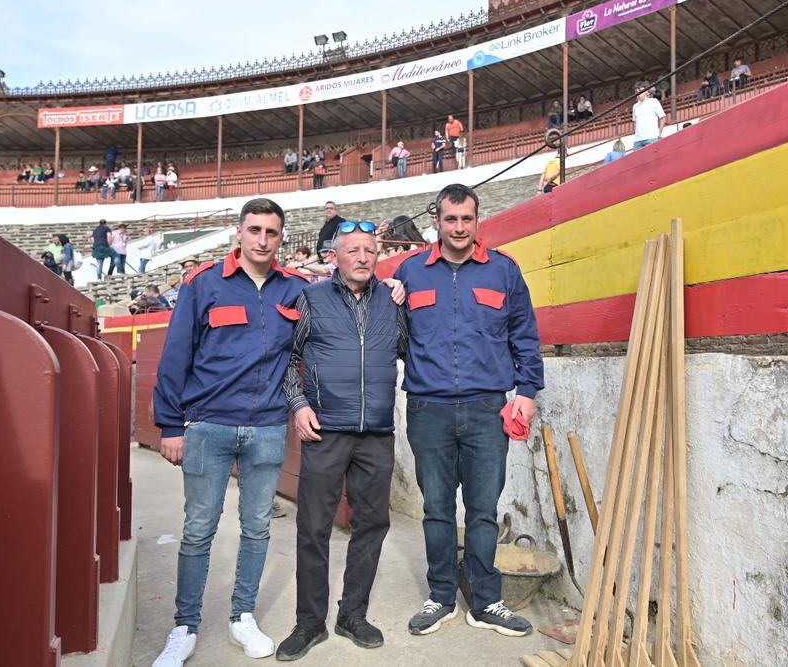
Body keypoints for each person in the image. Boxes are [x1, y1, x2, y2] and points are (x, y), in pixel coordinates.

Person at [150, 198, 312, 667]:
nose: (262, 240)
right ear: (238, 232)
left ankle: (242, 616)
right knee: (198, 529)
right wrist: (170, 425)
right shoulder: (203, 284)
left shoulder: (296, 289)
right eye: (254, 230)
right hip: (208, 425)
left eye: (271, 232)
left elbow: (345, 296)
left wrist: (391, 286)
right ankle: (185, 626)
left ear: (281, 237)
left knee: (257, 527)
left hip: (267, 427)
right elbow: (176, 355)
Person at [395, 184, 544, 638]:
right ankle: (441, 596)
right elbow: (395, 338)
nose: (459, 228)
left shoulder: (503, 270)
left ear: (477, 221)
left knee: (483, 510)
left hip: (486, 410)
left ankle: (486, 602)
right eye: (450, 219)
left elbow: (525, 334)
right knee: (437, 509)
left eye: (467, 219)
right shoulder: (410, 272)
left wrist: (527, 391)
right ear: (436, 222)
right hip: (429, 409)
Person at [276, 221, 408, 660]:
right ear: (335, 256)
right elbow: (289, 357)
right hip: (325, 430)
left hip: (376, 434)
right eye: (353, 250)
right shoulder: (312, 298)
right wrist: (299, 405)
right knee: (314, 526)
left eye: (370, 250)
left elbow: (410, 350)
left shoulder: (392, 300)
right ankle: (309, 622)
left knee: (372, 524)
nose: (363, 258)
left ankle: (353, 614)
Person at [631, 82, 666, 151]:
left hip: (652, 137)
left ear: (646, 92)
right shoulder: (635, 106)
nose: (638, 94)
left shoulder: (654, 102)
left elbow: (662, 117)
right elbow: (634, 121)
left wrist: (659, 133)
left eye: (640, 91)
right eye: (636, 92)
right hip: (638, 140)